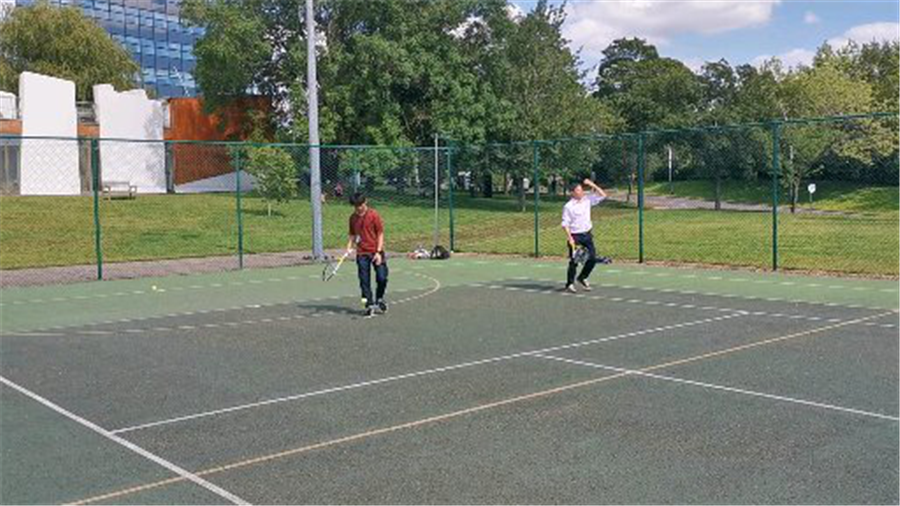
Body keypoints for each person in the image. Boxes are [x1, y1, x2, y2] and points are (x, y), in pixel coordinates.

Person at [561, 179, 607, 293]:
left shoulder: (587, 200)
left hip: (587, 235)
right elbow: (565, 224)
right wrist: (570, 238)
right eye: (578, 190)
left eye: (582, 190)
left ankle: (582, 277)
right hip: (575, 236)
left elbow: (603, 195)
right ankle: (569, 283)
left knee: (592, 258)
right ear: (572, 192)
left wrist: (592, 184)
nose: (581, 192)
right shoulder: (568, 206)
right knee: (574, 261)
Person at [346, 193, 388, 317]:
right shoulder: (353, 218)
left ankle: (379, 298)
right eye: (356, 206)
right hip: (362, 253)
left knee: (382, 277)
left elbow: (380, 234)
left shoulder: (373, 215)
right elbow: (352, 234)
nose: (358, 208)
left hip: (376, 251)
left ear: (365, 202)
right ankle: (368, 304)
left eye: (360, 205)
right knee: (364, 281)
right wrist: (349, 247)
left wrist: (378, 252)